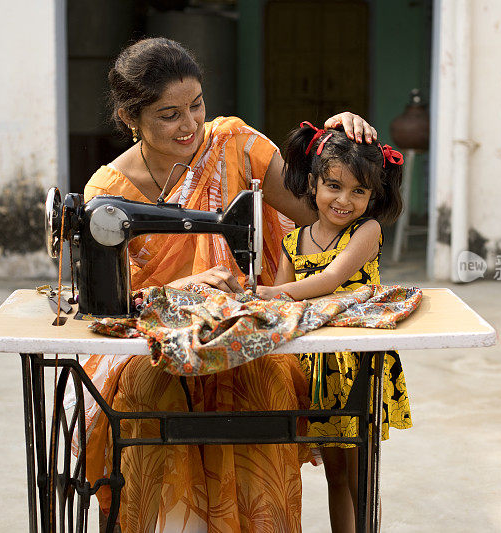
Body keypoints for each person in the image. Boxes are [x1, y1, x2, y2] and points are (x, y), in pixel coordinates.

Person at [79, 37, 378, 533]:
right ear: (132, 118)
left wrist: (338, 148)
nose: (191, 124)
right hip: (160, 341)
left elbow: (321, 211)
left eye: (196, 105)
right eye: (168, 114)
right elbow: (111, 306)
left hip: (246, 333)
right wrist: (189, 287)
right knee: (142, 392)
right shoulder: (106, 195)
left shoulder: (234, 143)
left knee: (269, 383)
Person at [256, 122, 412, 533]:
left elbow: (324, 283)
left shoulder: (367, 231)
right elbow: (283, 300)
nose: (344, 200)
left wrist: (259, 295)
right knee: (334, 475)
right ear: (313, 184)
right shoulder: (296, 240)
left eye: (358, 191)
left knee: (361, 475)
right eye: (334, 186)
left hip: (357, 366)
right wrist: (262, 297)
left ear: (373, 196)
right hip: (316, 370)